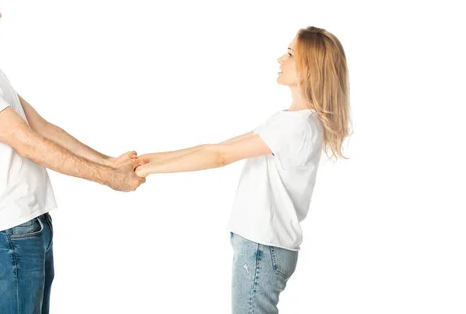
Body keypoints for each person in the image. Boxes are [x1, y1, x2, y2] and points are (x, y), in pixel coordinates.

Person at [0, 0, 145, 314]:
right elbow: (27, 142)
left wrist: (108, 161)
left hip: (29, 225)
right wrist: (110, 179)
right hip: (10, 232)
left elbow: (39, 127)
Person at [135, 26, 351, 314]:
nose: (279, 59)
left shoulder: (295, 126)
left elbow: (220, 156)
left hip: (262, 246)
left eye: (289, 54)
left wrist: (149, 172)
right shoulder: (291, 120)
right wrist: (151, 160)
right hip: (263, 245)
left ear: (310, 68)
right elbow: (217, 147)